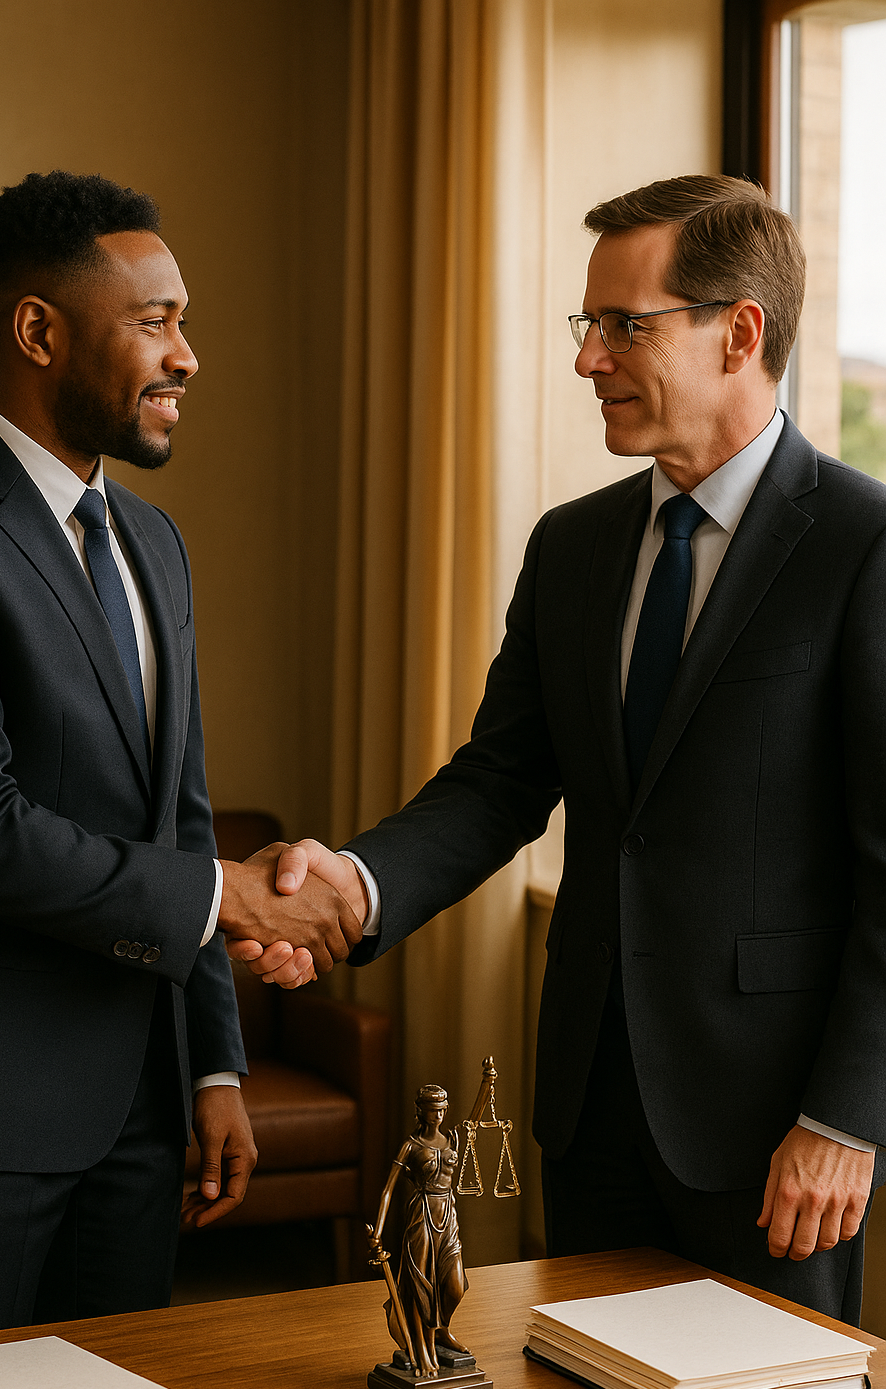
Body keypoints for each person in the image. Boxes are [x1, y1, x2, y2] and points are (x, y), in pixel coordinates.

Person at [236, 175, 886, 1325]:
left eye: (622, 327)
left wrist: (844, 1120)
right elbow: (498, 783)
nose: (588, 359)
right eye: (587, 327)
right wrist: (354, 884)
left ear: (739, 332)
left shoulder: (863, 542)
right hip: (589, 1107)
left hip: (777, 1133)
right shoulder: (573, 547)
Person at [0, 171, 359, 1343]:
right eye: (156, 321)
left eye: (183, 321)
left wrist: (215, 1072)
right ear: (38, 329)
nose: (187, 354)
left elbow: (173, 814)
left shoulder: (151, 540)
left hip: (144, 1115)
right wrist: (228, 897)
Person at [370, 1085, 468, 1378]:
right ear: (420, 1111)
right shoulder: (410, 1146)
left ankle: (440, 1331)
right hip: (422, 1213)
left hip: (447, 1212)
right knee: (419, 1284)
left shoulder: (452, 1139)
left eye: (442, 1109)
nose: (438, 1115)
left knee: (455, 1285)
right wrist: (378, 1229)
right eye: (432, 1109)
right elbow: (388, 1189)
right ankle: (423, 1348)